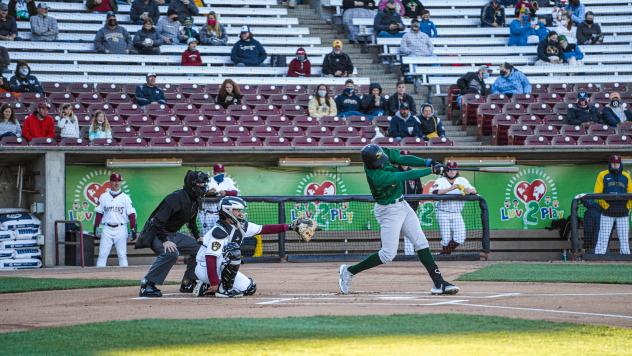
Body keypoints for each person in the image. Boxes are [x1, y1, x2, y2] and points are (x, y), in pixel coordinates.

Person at [339, 144, 459, 295]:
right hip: (388, 211)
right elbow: (404, 176)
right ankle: (349, 271)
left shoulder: (381, 152)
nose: (383, 161)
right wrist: (431, 171)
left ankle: (438, 282)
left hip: (402, 204)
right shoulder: (377, 176)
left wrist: (428, 162)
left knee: (421, 243)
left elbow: (402, 158)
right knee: (387, 254)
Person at [193, 197, 301, 297]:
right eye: (238, 210)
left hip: (220, 266)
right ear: (228, 210)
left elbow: (264, 229)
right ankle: (223, 290)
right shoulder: (219, 231)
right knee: (233, 250)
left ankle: (205, 286)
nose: (241, 213)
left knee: (250, 288)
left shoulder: (241, 225)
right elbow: (210, 258)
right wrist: (214, 282)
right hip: (205, 268)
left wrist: (290, 227)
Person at [136, 171, 210, 297]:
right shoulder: (175, 198)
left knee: (200, 250)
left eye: (203, 183)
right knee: (171, 252)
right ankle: (147, 284)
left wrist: (198, 237)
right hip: (156, 234)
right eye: (199, 183)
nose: (202, 186)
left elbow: (191, 222)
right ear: (191, 184)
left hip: (173, 234)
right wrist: (165, 240)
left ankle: (188, 283)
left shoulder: (195, 199)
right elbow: (156, 222)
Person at [431, 161, 477, 255]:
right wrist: (451, 188)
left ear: (457, 170)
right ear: (445, 171)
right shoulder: (440, 180)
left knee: (460, 237)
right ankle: (446, 257)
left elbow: (474, 190)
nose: (451, 171)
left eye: (454, 169)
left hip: (456, 213)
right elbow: (434, 192)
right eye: (449, 169)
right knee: (446, 238)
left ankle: (444, 254)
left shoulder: (462, 180)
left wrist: (469, 190)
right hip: (443, 212)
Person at [93, 173, 137, 267]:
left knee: (122, 255)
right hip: (106, 228)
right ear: (110, 182)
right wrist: (96, 226)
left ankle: (124, 278)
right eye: (114, 181)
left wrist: (133, 228)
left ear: (121, 182)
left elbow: (131, 214)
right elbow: (99, 213)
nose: (116, 183)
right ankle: (98, 277)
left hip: (121, 228)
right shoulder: (103, 196)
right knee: (102, 254)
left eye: (118, 181)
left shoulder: (125, 197)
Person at [593, 155, 631, 255]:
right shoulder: (602, 174)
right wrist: (606, 206)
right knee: (603, 237)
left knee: (624, 239)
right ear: (610, 164)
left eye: (617, 163)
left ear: (620, 164)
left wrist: (627, 207)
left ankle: (625, 257)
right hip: (607, 213)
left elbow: (631, 193)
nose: (615, 165)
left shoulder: (626, 175)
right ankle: (599, 257)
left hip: (623, 212)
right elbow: (597, 194)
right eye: (613, 163)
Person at [200, 163, 240, 235]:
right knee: (207, 235)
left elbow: (235, 192)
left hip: (222, 215)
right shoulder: (208, 181)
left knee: (221, 234)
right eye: (219, 172)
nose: (221, 173)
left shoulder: (228, 180)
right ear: (214, 172)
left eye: (222, 171)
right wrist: (209, 192)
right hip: (207, 214)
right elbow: (201, 193)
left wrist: (226, 192)